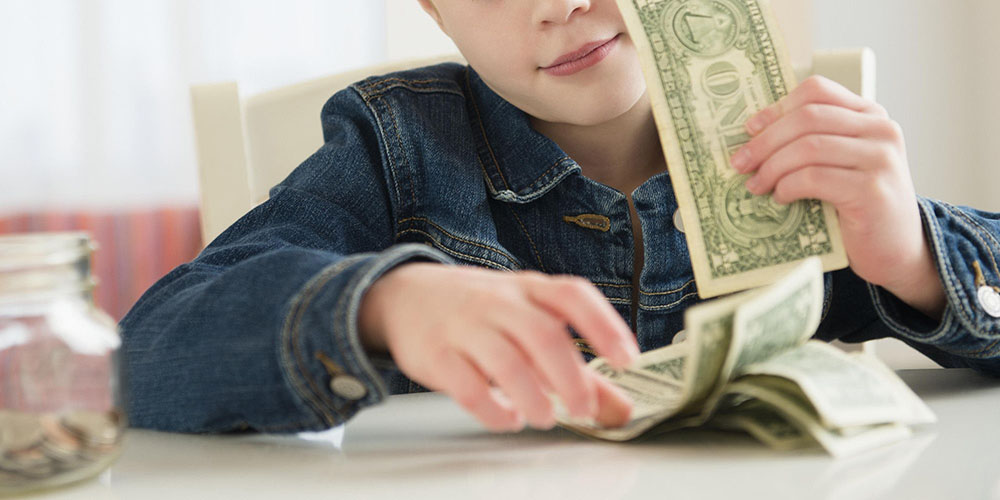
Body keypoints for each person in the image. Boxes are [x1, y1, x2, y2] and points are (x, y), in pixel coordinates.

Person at [120, 0, 1000, 435]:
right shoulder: (395, 147)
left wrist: (918, 255)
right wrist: (384, 305)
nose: (558, 2)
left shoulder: (792, 147)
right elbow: (147, 350)